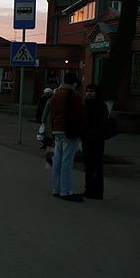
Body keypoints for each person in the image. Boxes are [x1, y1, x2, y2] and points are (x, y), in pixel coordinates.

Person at [49, 72, 88, 202]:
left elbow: (52, 113)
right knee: (67, 161)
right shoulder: (73, 95)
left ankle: (56, 188)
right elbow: (79, 115)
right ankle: (66, 191)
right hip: (69, 131)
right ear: (74, 83)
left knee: (57, 160)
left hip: (57, 129)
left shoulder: (56, 94)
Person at [82, 84, 108, 199]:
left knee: (97, 166)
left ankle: (97, 192)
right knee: (88, 166)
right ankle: (88, 189)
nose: (89, 93)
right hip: (86, 140)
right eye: (87, 91)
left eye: (91, 91)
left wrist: (93, 133)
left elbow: (103, 124)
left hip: (97, 140)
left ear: (97, 93)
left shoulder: (101, 106)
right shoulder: (84, 105)